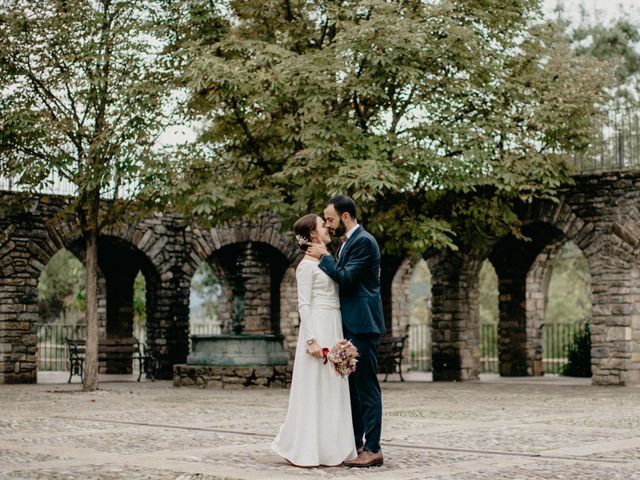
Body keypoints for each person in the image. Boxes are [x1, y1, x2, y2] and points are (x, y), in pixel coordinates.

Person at [271, 214, 358, 467]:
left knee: (333, 384)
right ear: (312, 235)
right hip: (318, 326)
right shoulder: (305, 267)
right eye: (323, 225)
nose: (328, 227)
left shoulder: (329, 261)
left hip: (334, 323)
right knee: (316, 386)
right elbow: (304, 305)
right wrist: (311, 340)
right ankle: (305, 446)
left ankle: (333, 447)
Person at [307, 195, 385, 468]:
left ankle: (373, 448)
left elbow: (348, 279)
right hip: (351, 323)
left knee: (366, 387)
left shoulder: (363, 241)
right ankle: (355, 443)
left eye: (330, 219)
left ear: (346, 216)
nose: (327, 225)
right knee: (352, 388)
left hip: (363, 323)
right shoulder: (348, 242)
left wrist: (324, 258)